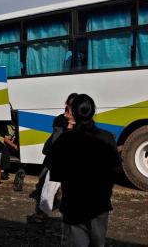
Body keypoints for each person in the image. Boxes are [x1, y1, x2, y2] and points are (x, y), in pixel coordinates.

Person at [44, 94, 122, 247]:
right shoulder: (107, 137)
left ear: (72, 113)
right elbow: (117, 170)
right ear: (93, 111)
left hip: (74, 206)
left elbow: (55, 172)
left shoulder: (65, 140)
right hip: (100, 204)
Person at [30, 93, 78, 223]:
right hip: (59, 159)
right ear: (66, 105)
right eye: (71, 104)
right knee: (49, 186)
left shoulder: (83, 120)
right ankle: (42, 212)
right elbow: (58, 142)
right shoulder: (59, 120)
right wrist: (69, 125)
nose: (72, 107)